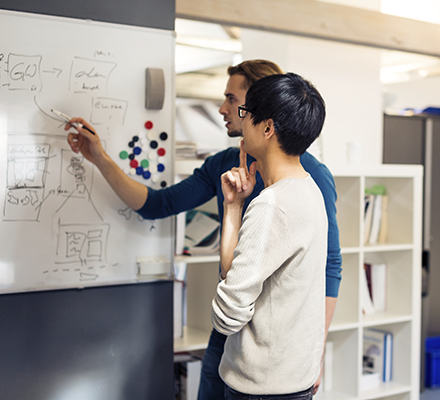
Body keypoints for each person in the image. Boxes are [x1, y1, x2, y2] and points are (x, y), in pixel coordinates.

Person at [64, 59, 342, 398]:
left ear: (265, 117)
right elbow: (158, 205)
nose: (224, 109)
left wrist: (317, 351)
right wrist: (100, 158)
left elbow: (328, 266)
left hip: (271, 351)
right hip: (236, 342)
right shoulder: (228, 165)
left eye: (235, 102)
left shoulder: (304, 181)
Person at [213, 72, 327, 398]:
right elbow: (234, 274)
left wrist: (221, 310)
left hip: (260, 387)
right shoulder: (308, 189)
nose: (239, 119)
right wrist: (234, 208)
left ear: (267, 128)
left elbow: (228, 315)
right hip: (292, 380)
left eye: (245, 113)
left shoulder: (273, 206)